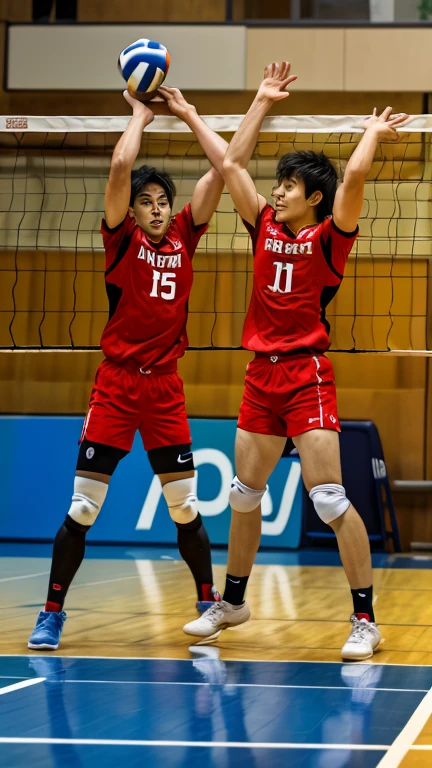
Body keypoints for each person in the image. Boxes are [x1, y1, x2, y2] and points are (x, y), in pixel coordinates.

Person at [183, 62, 408, 660]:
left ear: (313, 198)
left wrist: (372, 134)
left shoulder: (329, 239)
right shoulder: (262, 226)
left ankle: (365, 619)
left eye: (288, 185)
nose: (276, 190)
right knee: (242, 496)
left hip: (306, 372)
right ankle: (232, 602)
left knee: (329, 498)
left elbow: (355, 177)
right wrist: (254, 101)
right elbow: (230, 164)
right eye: (276, 183)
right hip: (260, 375)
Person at [28, 87, 229, 651]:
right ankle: (51, 613)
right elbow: (121, 164)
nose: (158, 207)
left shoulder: (188, 234)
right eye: (147, 201)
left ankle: (207, 602)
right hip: (116, 385)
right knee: (83, 508)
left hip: (164, 388)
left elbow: (225, 168)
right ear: (133, 210)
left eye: (163, 198)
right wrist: (140, 115)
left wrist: (188, 115)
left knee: (185, 507)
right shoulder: (120, 242)